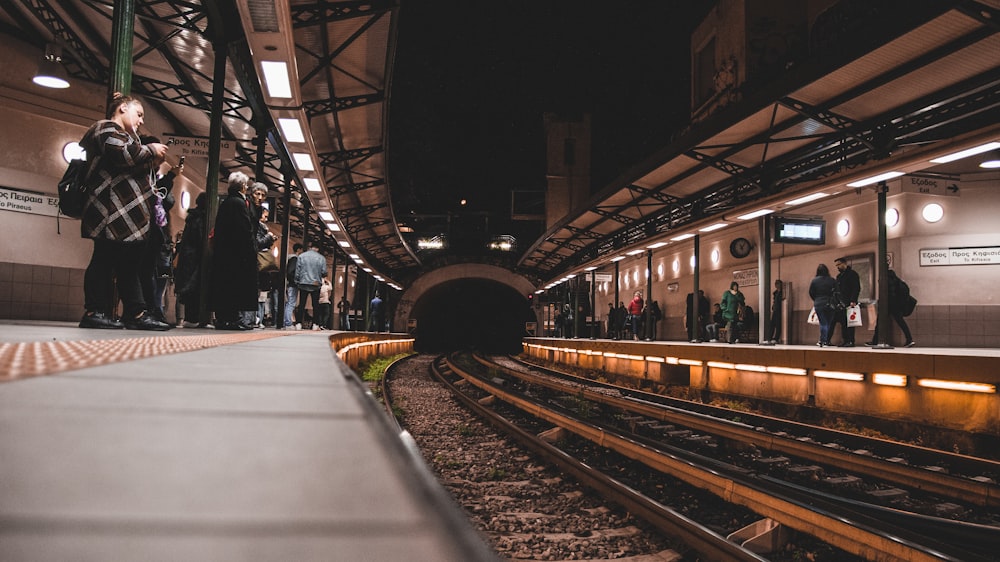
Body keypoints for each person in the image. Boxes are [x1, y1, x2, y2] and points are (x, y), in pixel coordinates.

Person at [78, 92, 170, 331]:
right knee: (104, 259)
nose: (140, 121)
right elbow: (125, 155)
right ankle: (95, 311)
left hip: (125, 214)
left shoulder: (128, 139)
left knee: (127, 264)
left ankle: (135, 312)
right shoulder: (105, 129)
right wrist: (151, 150)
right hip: (110, 211)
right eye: (138, 114)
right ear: (122, 109)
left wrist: (150, 154)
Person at [210, 171, 258, 330]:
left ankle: (225, 318)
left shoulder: (227, 202)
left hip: (225, 254)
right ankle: (230, 319)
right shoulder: (238, 203)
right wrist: (251, 250)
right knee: (234, 287)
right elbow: (244, 230)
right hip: (236, 255)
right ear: (243, 186)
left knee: (225, 286)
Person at [174, 192, 208, 327]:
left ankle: (190, 317)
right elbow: (200, 239)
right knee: (195, 288)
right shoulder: (201, 219)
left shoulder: (192, 217)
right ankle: (193, 318)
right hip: (195, 259)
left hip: (188, 258)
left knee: (189, 290)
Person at [867, 269, 916, 347]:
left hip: (889, 305)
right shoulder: (898, 282)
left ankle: (875, 341)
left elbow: (888, 295)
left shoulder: (888, 282)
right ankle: (909, 339)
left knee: (880, 323)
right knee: (901, 323)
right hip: (897, 306)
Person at [294, 242, 327, 329]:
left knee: (302, 304)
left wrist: (297, 281)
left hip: (303, 283)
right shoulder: (321, 258)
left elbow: (297, 271)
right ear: (317, 248)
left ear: (309, 247)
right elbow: (324, 272)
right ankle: (315, 324)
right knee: (315, 305)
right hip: (315, 284)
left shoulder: (301, 256)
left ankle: (298, 323)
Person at [831, 256, 861, 347]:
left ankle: (851, 340)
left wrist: (853, 300)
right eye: (836, 265)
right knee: (843, 322)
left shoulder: (852, 274)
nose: (838, 267)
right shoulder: (839, 276)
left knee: (850, 322)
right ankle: (845, 340)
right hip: (841, 302)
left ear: (845, 264)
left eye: (839, 265)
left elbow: (856, 288)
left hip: (849, 301)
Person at [809, 263, 839, 347]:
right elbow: (837, 291)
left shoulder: (814, 281)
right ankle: (826, 340)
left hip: (819, 303)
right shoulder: (832, 280)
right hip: (830, 303)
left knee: (823, 323)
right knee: (828, 323)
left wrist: (816, 299)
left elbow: (811, 292)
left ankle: (823, 341)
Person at [283, 243, 303, 328]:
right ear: (298, 249)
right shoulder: (294, 259)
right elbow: (291, 272)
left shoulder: (290, 258)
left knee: (290, 303)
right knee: (291, 303)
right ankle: (287, 322)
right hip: (292, 284)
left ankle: (286, 321)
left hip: (290, 283)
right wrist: (295, 281)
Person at [765, 279, 784, 344]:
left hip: (780, 310)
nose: (777, 285)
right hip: (775, 310)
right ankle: (769, 337)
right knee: (772, 324)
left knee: (778, 324)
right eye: (776, 284)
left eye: (778, 284)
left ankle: (776, 338)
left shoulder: (782, 292)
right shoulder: (775, 293)